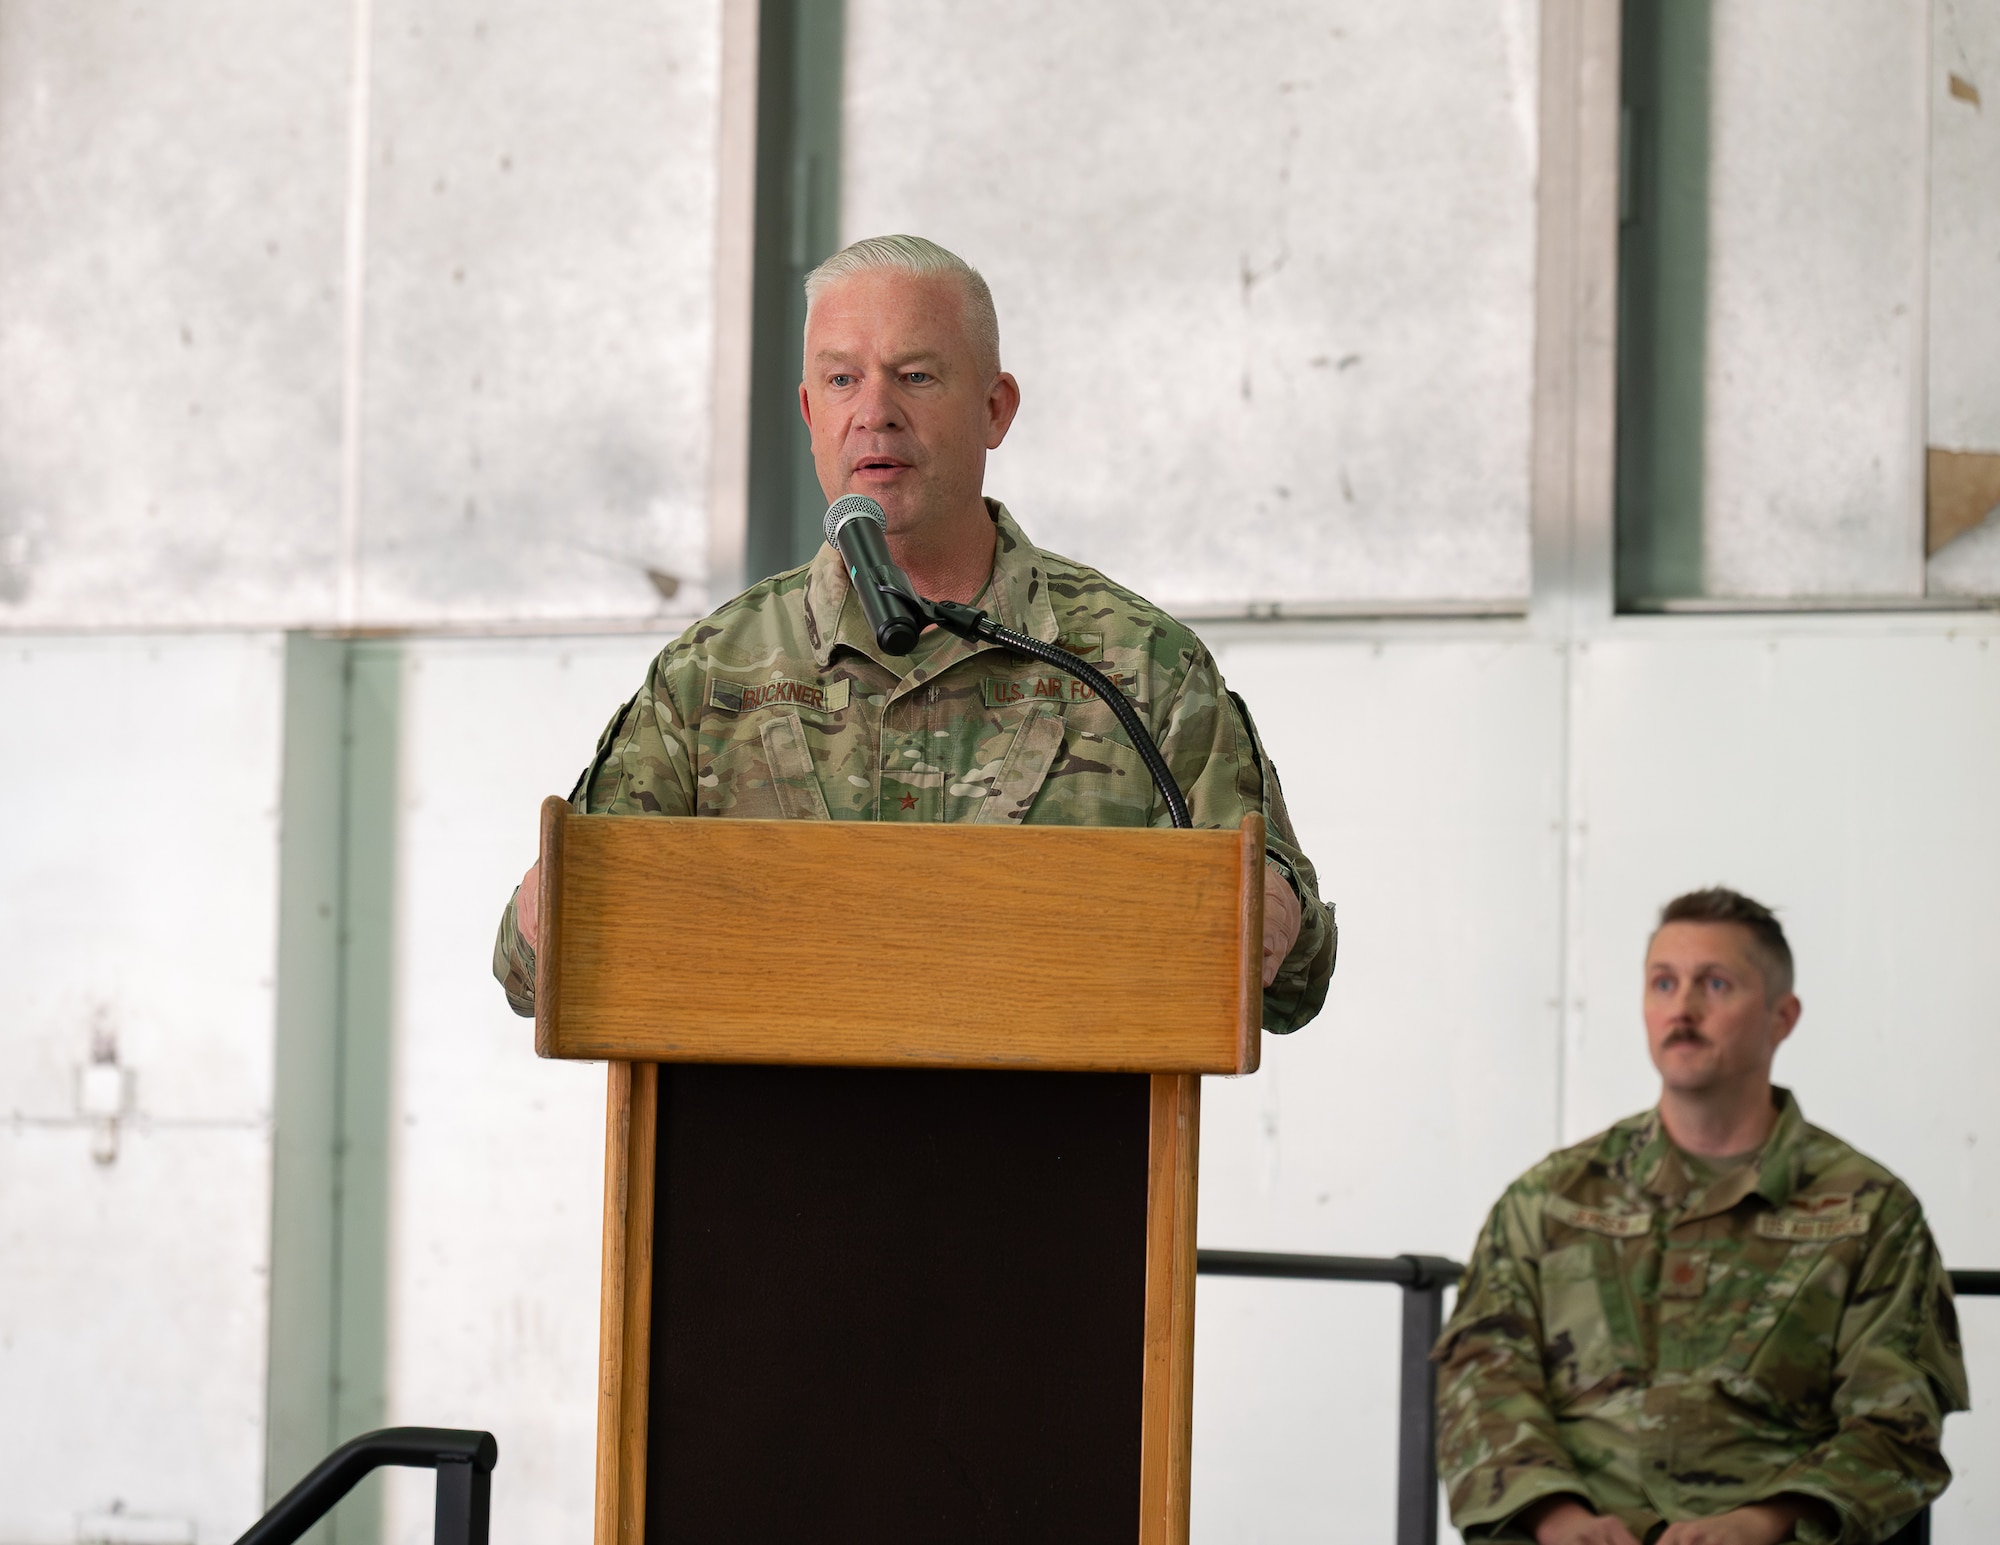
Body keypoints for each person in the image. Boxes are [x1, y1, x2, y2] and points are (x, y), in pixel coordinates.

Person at [492, 234, 1335, 1029]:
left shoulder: (1137, 667)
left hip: (1061, 1169)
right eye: (841, 380)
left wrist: (1271, 915)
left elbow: (1295, 985)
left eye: (918, 376)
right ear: (807, 411)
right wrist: (556, 906)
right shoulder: (713, 676)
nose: (875, 412)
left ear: (996, 409)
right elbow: (530, 975)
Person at [1435, 887, 1967, 1545]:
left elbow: (1897, 1424)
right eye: (1663, 982)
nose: (1682, 1009)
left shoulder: (1869, 1211)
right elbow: (1480, 1375)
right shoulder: (1552, 1197)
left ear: (1782, 1015)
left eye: (1715, 983)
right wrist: (1554, 1516)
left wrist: (1764, 1522)